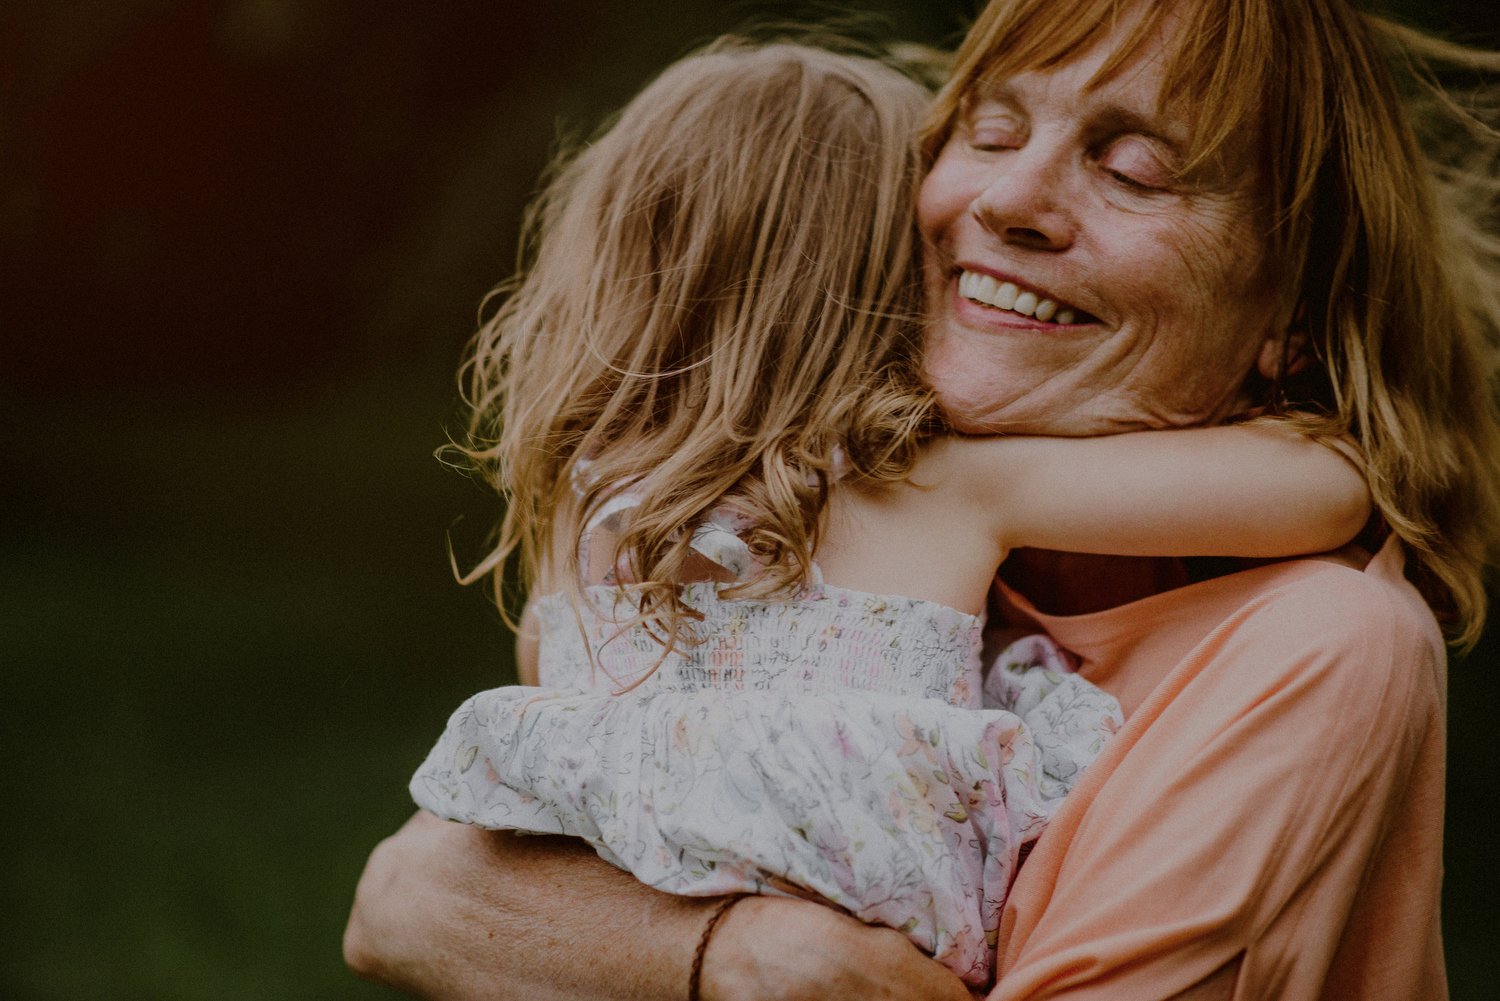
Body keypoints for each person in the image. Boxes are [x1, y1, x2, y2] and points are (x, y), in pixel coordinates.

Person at [344, 1, 1500, 999]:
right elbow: (403, 894)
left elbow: (449, 900)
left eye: (1133, 169)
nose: (1014, 198)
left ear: (1289, 316)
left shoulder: (1319, 644)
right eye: (991, 131)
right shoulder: (864, 531)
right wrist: (745, 955)